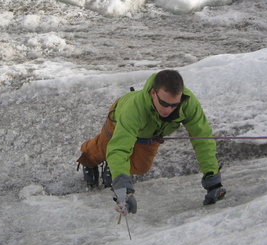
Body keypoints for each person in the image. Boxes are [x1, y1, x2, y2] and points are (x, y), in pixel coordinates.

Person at [77, 69, 225, 215]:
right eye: (164, 103)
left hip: (151, 133)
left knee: (141, 167)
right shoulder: (133, 109)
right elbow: (119, 148)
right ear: (153, 93)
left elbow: (203, 139)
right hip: (119, 121)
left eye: (174, 105)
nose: (168, 110)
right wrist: (124, 190)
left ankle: (113, 164)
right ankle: (88, 157)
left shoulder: (188, 104)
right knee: (103, 149)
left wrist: (213, 180)